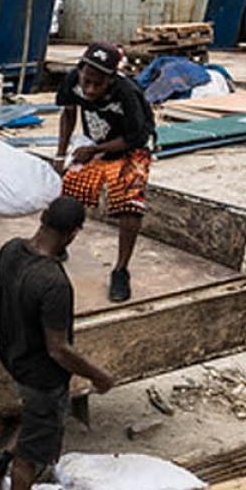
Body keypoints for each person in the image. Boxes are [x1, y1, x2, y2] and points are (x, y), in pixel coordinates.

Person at [0, 196, 117, 490]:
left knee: (32, 418)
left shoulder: (10, 250)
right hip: (41, 376)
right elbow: (58, 349)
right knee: (34, 449)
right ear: (74, 233)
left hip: (11, 355)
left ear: (43, 217)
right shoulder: (54, 283)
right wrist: (99, 375)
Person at [54, 42, 156, 304]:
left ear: (110, 80)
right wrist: (60, 155)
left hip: (132, 146)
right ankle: (59, 246)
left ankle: (121, 270)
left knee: (129, 202)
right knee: (70, 192)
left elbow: (135, 137)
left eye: (97, 85)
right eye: (86, 81)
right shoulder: (72, 81)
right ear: (79, 71)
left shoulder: (127, 94)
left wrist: (96, 149)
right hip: (94, 142)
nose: (89, 89)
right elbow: (68, 114)